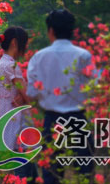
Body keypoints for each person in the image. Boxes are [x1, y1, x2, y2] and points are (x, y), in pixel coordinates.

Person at [26, 10, 96, 184]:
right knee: (84, 173)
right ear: (72, 30)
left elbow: (32, 94)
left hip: (53, 120)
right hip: (79, 118)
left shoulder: (39, 57)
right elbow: (95, 89)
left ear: (50, 31)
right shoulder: (83, 56)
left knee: (52, 173)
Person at [0, 26, 37, 182]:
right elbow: (28, 96)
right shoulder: (11, 66)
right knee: (24, 174)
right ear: (15, 43)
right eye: (24, 44)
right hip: (17, 128)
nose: (25, 49)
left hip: (3, 129)